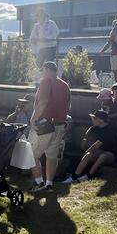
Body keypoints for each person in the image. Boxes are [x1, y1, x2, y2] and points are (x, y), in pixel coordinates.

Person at [28, 61, 71, 192]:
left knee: (32, 155)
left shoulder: (46, 81)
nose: (42, 73)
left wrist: (34, 118)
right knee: (52, 156)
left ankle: (39, 182)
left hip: (44, 125)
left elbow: (43, 101)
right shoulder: (65, 85)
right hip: (59, 124)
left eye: (42, 70)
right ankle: (49, 184)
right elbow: (68, 108)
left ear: (46, 70)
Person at [63, 110, 117, 183]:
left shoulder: (109, 130)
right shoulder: (94, 128)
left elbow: (95, 146)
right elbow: (82, 146)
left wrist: (86, 151)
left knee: (103, 156)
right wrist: (86, 137)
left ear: (101, 120)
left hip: (111, 154)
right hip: (99, 151)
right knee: (89, 154)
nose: (92, 120)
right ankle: (74, 177)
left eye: (95, 118)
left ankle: (88, 176)